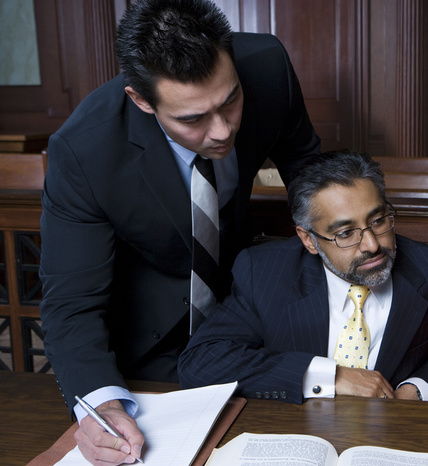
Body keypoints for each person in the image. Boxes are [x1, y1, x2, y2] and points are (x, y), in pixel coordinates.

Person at [39, 0, 320, 463]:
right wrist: (101, 404)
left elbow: (309, 172)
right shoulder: (85, 151)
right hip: (150, 344)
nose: (222, 131)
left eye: (229, 100)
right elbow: (71, 302)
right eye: (191, 119)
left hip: (249, 317)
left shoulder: (267, 68)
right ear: (141, 100)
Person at [178, 150, 428, 404]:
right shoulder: (265, 272)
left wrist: (417, 388)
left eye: (378, 220)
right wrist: (329, 376)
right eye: (345, 233)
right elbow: (201, 363)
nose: (372, 244)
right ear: (309, 239)